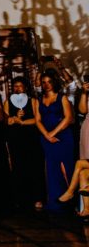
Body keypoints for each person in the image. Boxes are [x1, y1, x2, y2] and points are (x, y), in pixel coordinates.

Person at [35, 68, 75, 213]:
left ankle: (74, 200)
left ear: (54, 82)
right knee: (51, 168)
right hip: (46, 137)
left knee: (66, 167)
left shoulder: (62, 97)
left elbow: (68, 118)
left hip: (63, 136)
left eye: (49, 82)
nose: (46, 84)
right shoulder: (38, 100)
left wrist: (53, 133)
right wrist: (46, 135)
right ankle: (55, 201)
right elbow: (38, 120)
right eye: (43, 82)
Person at [5, 78, 44, 211]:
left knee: (33, 167)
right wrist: (13, 118)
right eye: (15, 86)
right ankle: (20, 199)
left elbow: (37, 120)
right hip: (15, 139)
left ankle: (37, 198)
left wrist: (22, 122)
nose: (18, 88)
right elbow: (6, 120)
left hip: (31, 138)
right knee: (18, 167)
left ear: (25, 88)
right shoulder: (8, 102)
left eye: (21, 86)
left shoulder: (33, 101)